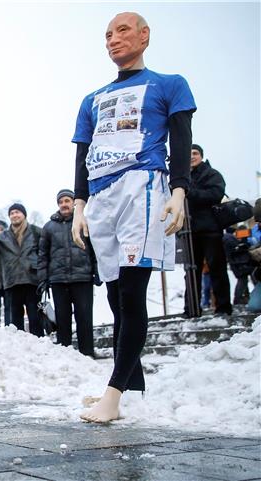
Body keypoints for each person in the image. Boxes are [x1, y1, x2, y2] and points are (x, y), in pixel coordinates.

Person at [71, 13, 195, 423]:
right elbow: (81, 154)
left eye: (122, 30)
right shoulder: (92, 99)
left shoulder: (168, 84)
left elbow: (180, 139)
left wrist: (179, 190)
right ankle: (133, 390)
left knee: (131, 292)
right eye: (107, 34)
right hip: (101, 193)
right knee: (113, 292)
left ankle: (114, 392)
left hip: (141, 185)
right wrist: (79, 205)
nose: (113, 39)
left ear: (144, 35)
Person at [37, 189, 98, 357]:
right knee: (62, 319)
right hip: (58, 280)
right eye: (61, 202)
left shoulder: (84, 222)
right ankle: (65, 354)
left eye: (67, 201)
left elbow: (95, 249)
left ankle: (87, 352)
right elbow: (43, 255)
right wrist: (43, 279)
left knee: (84, 317)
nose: (64, 204)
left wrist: (97, 270)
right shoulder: (48, 227)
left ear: (73, 203)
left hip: (82, 278)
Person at [184, 144, 232, 316]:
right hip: (188, 231)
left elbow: (216, 194)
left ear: (201, 156)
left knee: (216, 269)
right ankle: (191, 309)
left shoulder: (212, 174)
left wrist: (191, 193)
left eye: (195, 153)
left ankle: (223, 308)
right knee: (191, 271)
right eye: (188, 154)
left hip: (210, 230)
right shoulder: (182, 176)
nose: (191, 156)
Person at [0, 203, 43, 336]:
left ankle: (39, 346)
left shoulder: (36, 231)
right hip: (12, 281)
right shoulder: (2, 236)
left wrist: (42, 272)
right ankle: (19, 349)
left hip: (32, 279)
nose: (14, 215)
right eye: (12, 213)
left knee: (35, 317)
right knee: (15, 320)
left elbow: (44, 253)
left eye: (17, 212)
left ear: (24, 214)